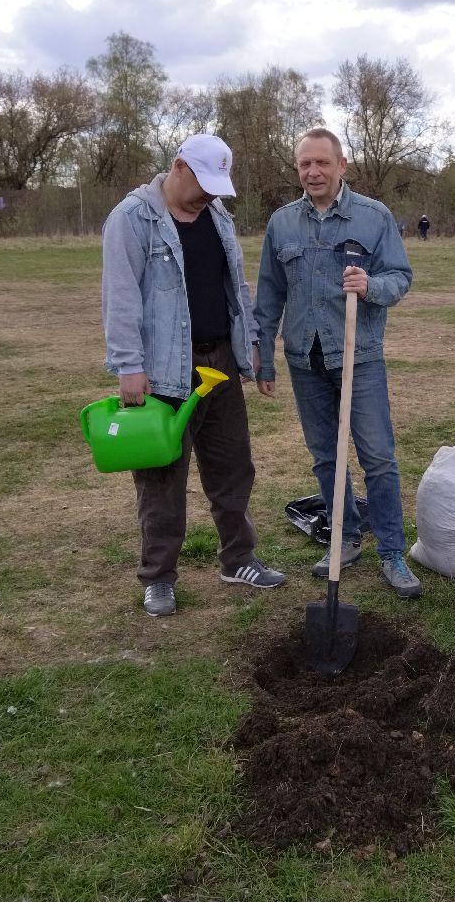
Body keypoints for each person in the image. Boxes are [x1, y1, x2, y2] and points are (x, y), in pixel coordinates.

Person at [100, 133, 285, 618]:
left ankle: (238, 558)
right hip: (164, 374)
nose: (210, 195)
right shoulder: (131, 219)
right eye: (204, 183)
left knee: (233, 466)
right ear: (178, 166)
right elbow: (120, 298)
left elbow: (234, 287)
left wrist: (253, 344)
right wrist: (129, 366)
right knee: (162, 477)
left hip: (220, 364)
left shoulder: (217, 215)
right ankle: (158, 578)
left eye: (218, 186)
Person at [254, 127, 423, 599]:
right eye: (305, 164)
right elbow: (268, 294)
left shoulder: (374, 217)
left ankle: (391, 551)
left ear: (342, 165)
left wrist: (372, 286)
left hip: (358, 355)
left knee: (378, 457)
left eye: (322, 163)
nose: (313, 172)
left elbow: (401, 276)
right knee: (327, 456)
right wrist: (264, 356)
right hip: (303, 359)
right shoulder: (282, 223)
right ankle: (344, 537)